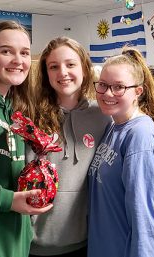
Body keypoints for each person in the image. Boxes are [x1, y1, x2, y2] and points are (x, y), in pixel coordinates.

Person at [87, 46, 154, 257]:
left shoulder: (140, 137)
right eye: (103, 85)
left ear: (138, 91)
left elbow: (146, 221)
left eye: (119, 87)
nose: (108, 93)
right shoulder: (113, 127)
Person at [28, 37, 111, 257]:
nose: (62, 72)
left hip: (83, 242)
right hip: (33, 244)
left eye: (70, 64)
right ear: (46, 73)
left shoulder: (102, 117)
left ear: (84, 68)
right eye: (53, 67)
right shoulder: (32, 116)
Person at [0, 20, 52, 257]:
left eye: (24, 53)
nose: (18, 60)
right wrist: (8, 200)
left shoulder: (16, 110)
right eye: (6, 51)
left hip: (16, 243)